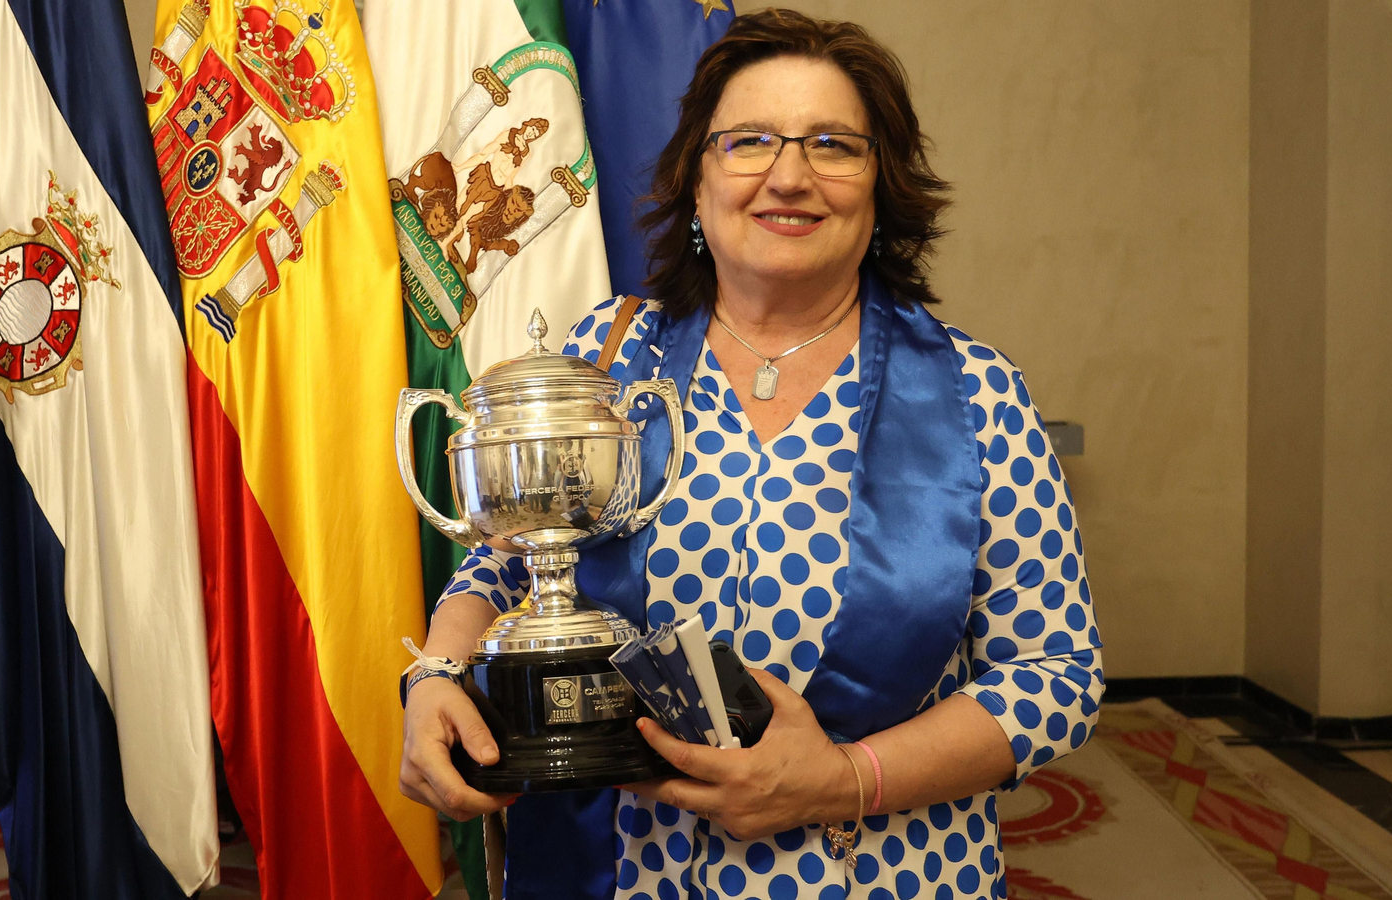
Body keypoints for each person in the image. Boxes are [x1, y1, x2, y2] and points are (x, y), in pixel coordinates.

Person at [399, 9, 1104, 899]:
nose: (790, 175)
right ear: (696, 180)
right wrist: (435, 675)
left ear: (881, 185)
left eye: (834, 145)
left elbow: (1057, 674)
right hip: (615, 871)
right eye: (749, 141)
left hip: (878, 872)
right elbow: (506, 569)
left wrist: (845, 780)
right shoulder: (609, 360)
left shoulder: (979, 395)